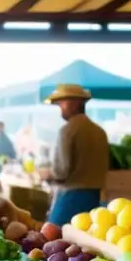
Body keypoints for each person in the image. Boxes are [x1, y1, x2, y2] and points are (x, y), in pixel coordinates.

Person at [44, 84, 109, 227]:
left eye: (61, 103)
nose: (60, 108)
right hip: (94, 199)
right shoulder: (100, 132)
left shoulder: (67, 131)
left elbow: (61, 171)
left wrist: (46, 174)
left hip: (70, 199)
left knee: (53, 238)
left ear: (74, 103)